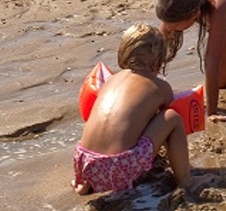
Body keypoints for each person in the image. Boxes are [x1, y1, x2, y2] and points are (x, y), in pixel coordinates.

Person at [72, 24, 204, 198]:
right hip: (119, 166)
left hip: (84, 162)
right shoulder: (160, 87)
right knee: (171, 117)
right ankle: (185, 181)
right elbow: (165, 121)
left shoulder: (110, 81)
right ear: (159, 61)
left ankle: (85, 184)